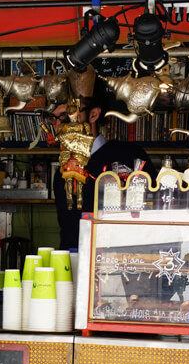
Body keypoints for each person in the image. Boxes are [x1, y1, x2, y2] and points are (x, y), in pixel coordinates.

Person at [51, 79, 156, 249]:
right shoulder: (62, 171)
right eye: (55, 119)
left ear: (93, 115)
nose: (58, 126)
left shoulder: (130, 157)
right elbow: (69, 232)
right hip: (79, 264)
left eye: (65, 117)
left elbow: (153, 212)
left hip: (126, 262)